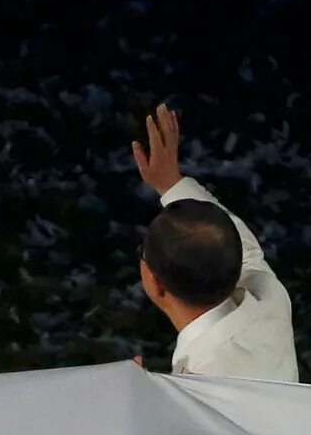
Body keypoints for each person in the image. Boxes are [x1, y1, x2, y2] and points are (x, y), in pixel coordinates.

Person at [128, 103, 300, 383]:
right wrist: (171, 185)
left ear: (154, 281)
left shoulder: (201, 384)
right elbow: (246, 249)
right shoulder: (269, 301)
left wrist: (139, 399)